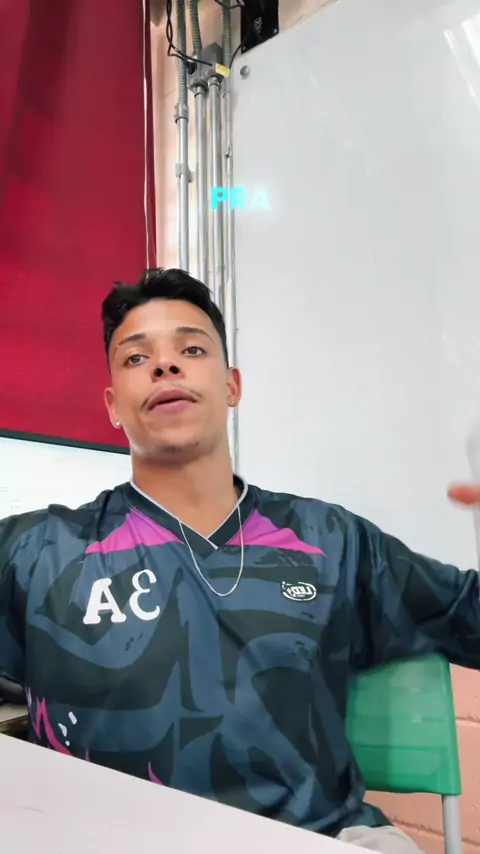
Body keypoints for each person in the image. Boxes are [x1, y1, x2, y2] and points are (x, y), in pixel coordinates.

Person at [0, 267, 479, 854]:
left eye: (191, 349)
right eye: (136, 358)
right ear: (112, 405)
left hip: (318, 838)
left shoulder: (331, 540)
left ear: (232, 386)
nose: (165, 365)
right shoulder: (37, 551)